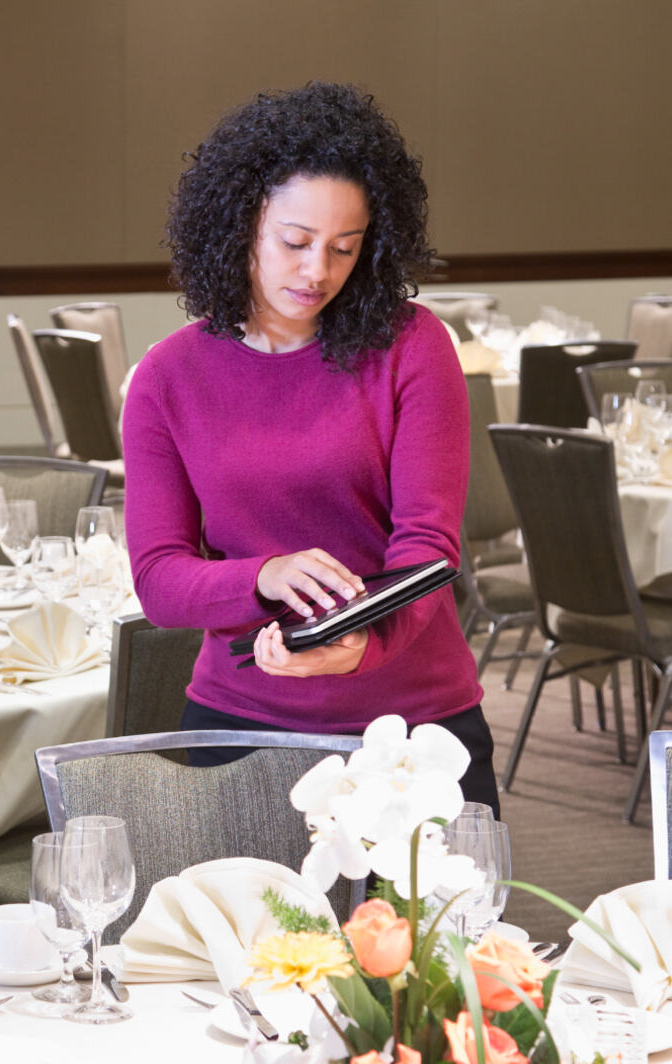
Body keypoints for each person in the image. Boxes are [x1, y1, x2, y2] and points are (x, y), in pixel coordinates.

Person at [122, 82, 496, 811]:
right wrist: (263, 577)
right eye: (295, 242)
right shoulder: (168, 378)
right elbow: (161, 581)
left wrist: (368, 643)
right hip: (242, 724)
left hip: (413, 728)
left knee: (442, 929)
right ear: (240, 227)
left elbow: (428, 546)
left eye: (344, 248)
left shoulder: (413, 347)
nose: (317, 271)